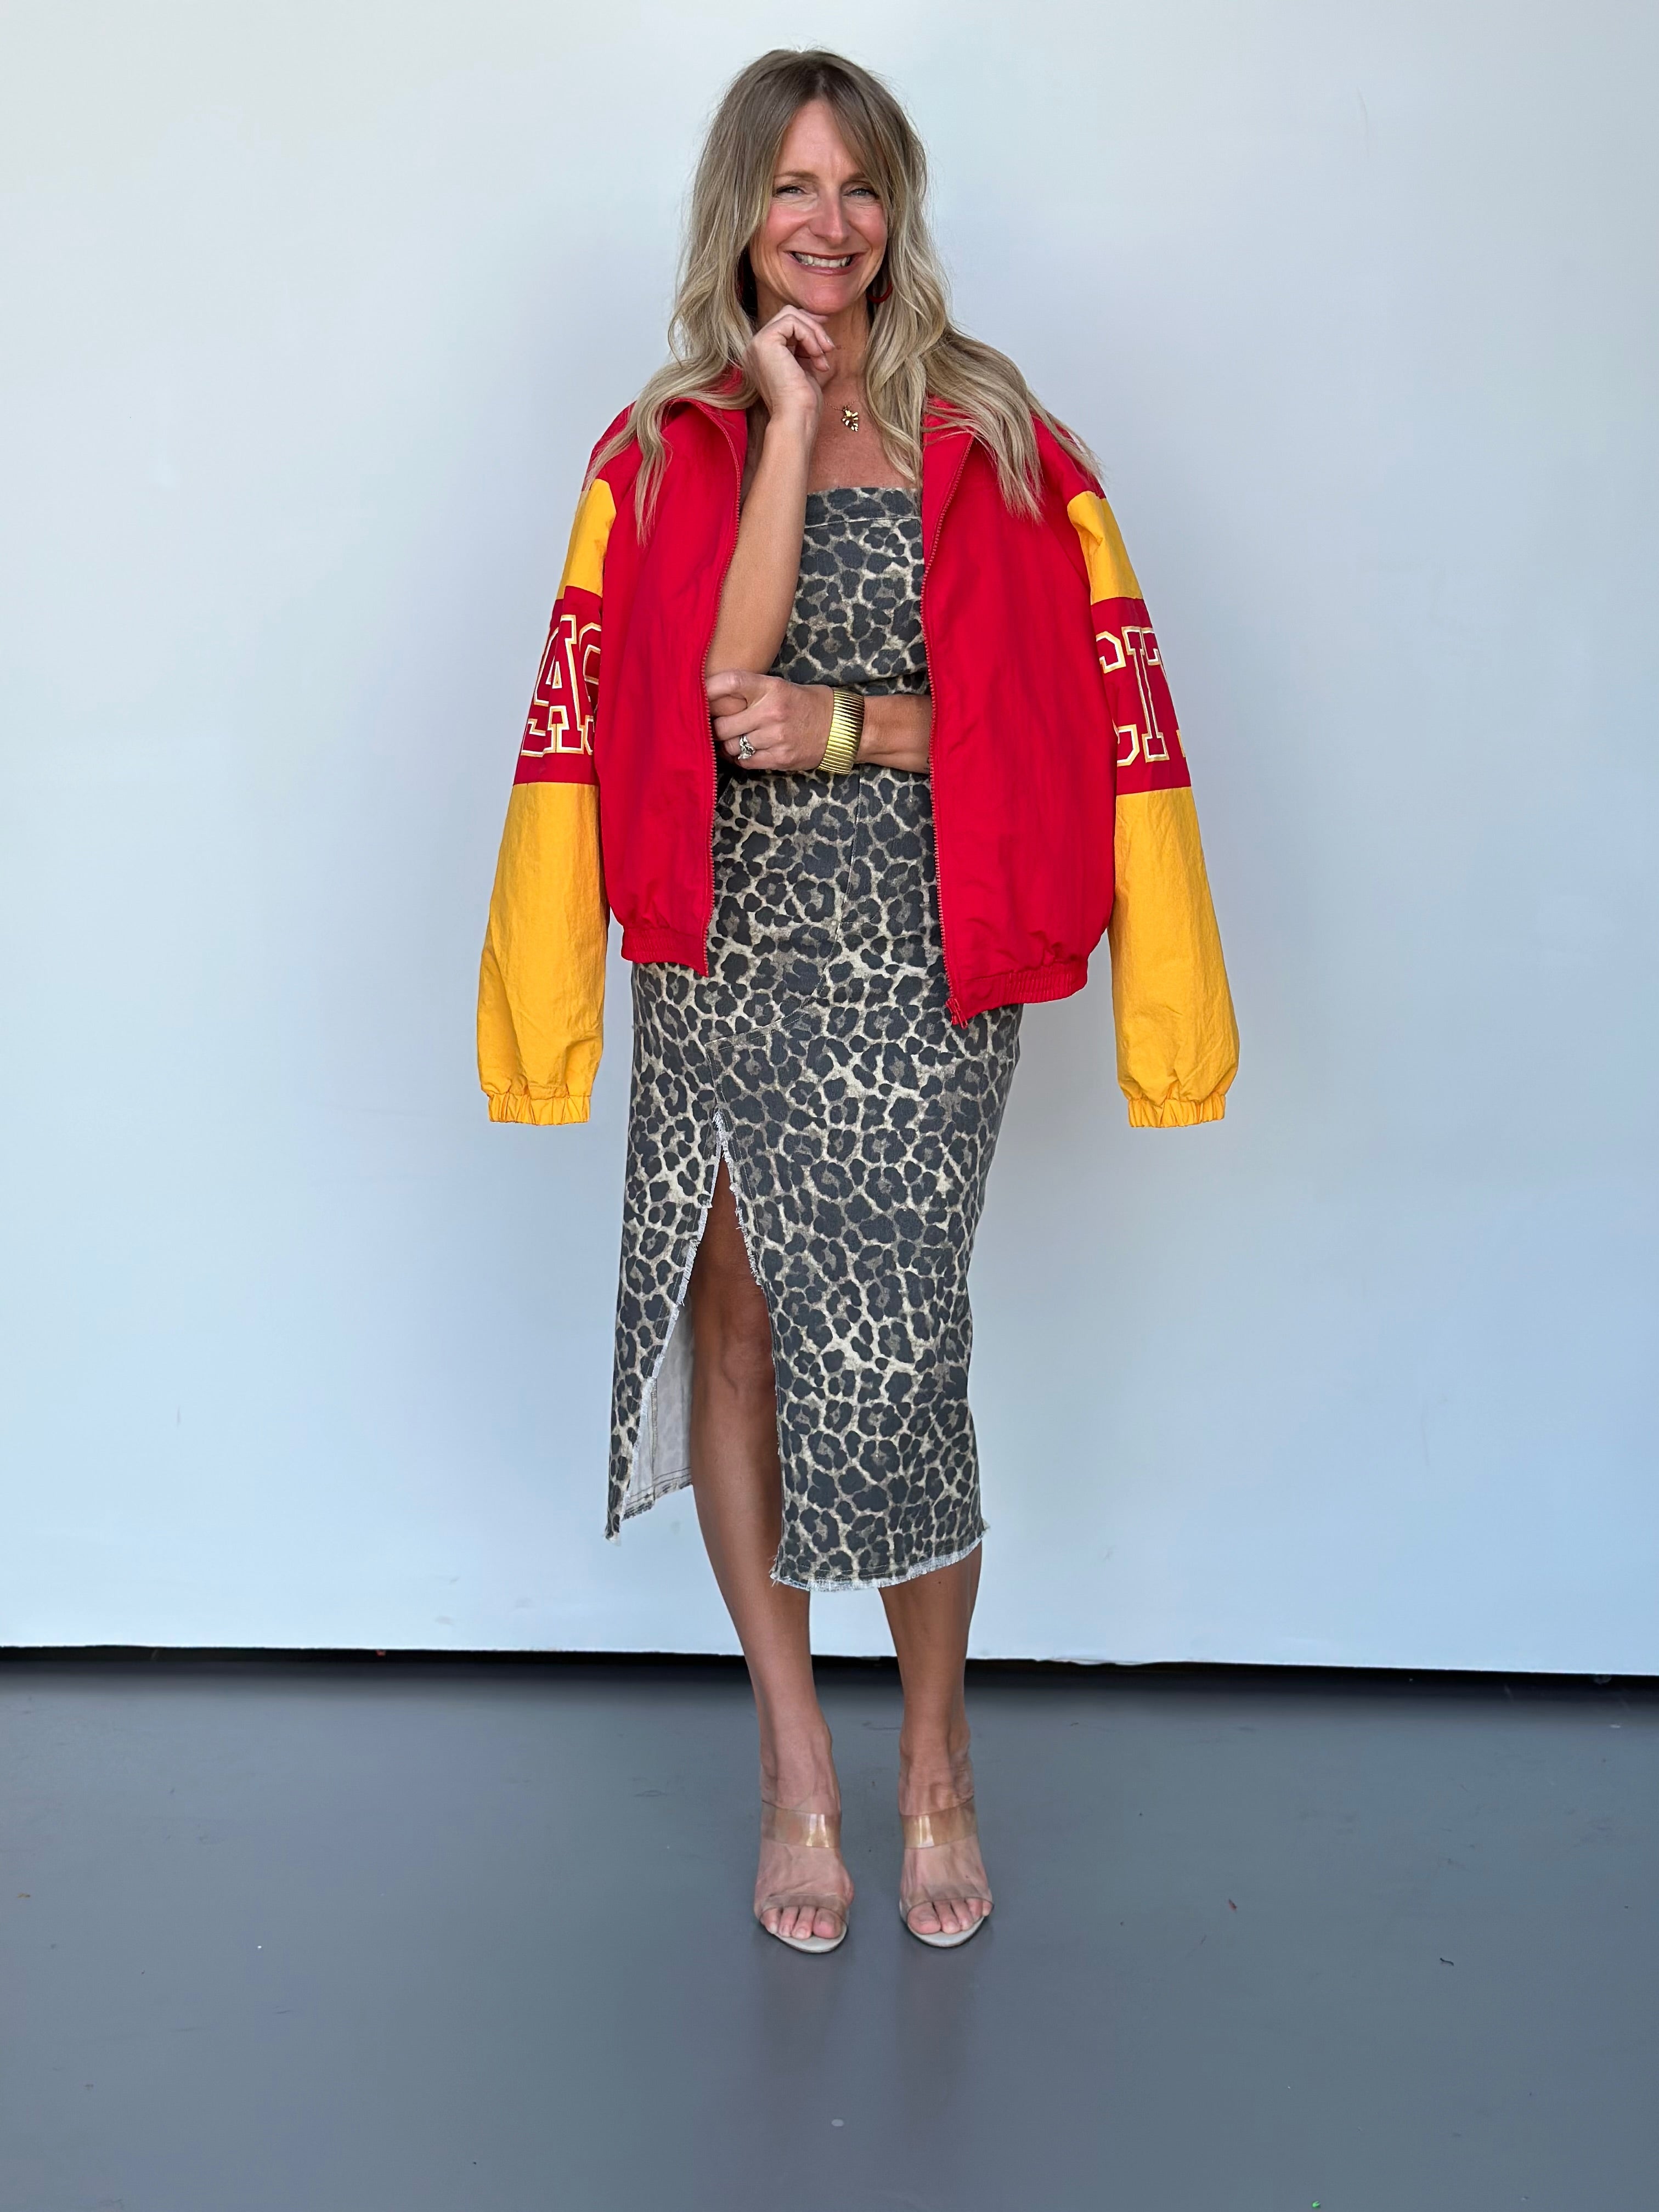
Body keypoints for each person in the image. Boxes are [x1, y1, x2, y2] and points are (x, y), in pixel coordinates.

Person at [478, 48, 1238, 1954]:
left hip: (925, 940)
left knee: (897, 1345)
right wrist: (790, 423)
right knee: (737, 1330)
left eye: (862, 186)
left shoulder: (1006, 440)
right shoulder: (662, 449)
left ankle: (940, 1762)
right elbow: (691, 703)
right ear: (740, 213)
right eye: (794, 188)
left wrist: (858, 727)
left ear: (899, 209)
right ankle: (798, 1766)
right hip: (727, 943)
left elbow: (1073, 724)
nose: (830, 225)